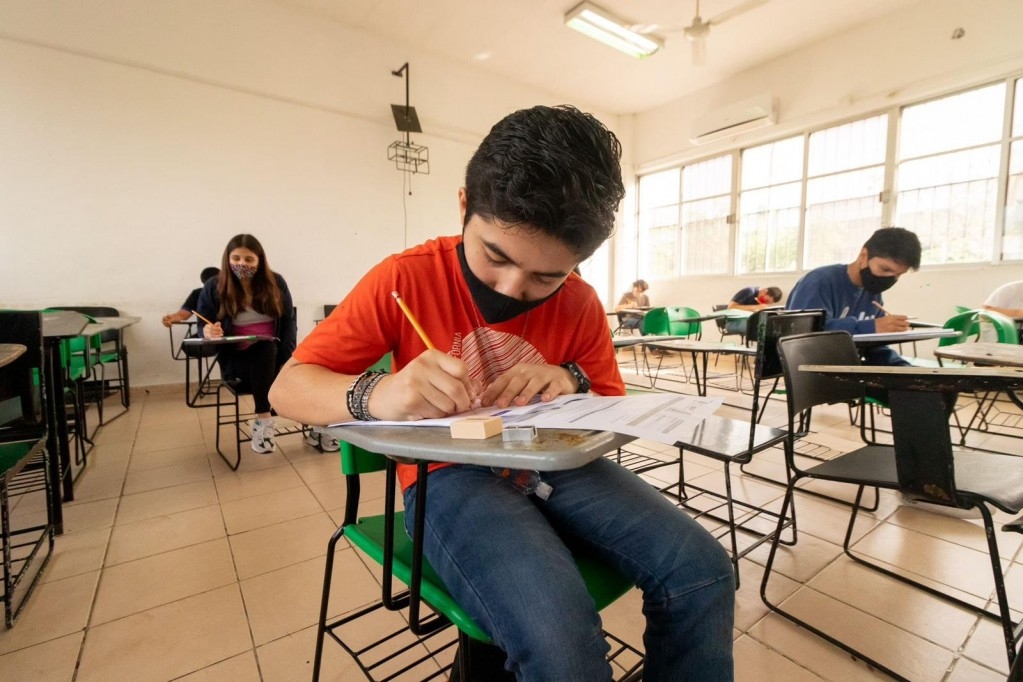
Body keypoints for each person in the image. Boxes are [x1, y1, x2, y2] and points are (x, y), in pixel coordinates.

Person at [269, 105, 734, 681]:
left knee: (704, 570)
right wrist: (379, 393)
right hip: (449, 473)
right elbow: (286, 387)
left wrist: (571, 378)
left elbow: (610, 398)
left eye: (547, 276)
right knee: (560, 641)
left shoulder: (582, 302)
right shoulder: (404, 277)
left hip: (558, 464)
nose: (513, 290)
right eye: (495, 255)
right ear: (464, 205)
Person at [196, 234, 295, 454]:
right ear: (227, 259)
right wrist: (208, 330)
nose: (242, 264)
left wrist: (288, 362)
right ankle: (264, 420)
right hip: (236, 362)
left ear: (259, 260)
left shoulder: (276, 283)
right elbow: (201, 325)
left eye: (249, 259)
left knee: (297, 360)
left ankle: (319, 426)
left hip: (274, 357)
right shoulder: (214, 287)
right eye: (236, 258)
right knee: (264, 347)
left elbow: (288, 323)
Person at [786, 227, 921, 366]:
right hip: (810, 372)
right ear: (863, 256)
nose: (889, 279)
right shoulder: (820, 282)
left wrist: (904, 369)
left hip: (848, 371)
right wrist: (870, 327)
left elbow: (875, 347)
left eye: (898, 275)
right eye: (885, 269)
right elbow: (803, 336)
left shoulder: (873, 293)